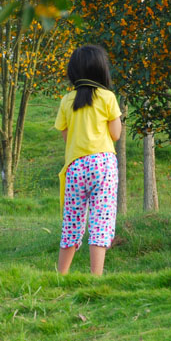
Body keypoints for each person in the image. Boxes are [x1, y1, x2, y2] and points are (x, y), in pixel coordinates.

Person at [54, 44, 122, 275]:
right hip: (103, 163)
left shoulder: (66, 100)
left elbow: (66, 136)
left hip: (75, 166)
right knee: (100, 220)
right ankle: (96, 277)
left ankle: (61, 275)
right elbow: (116, 134)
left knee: (72, 221)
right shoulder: (107, 97)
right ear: (102, 70)